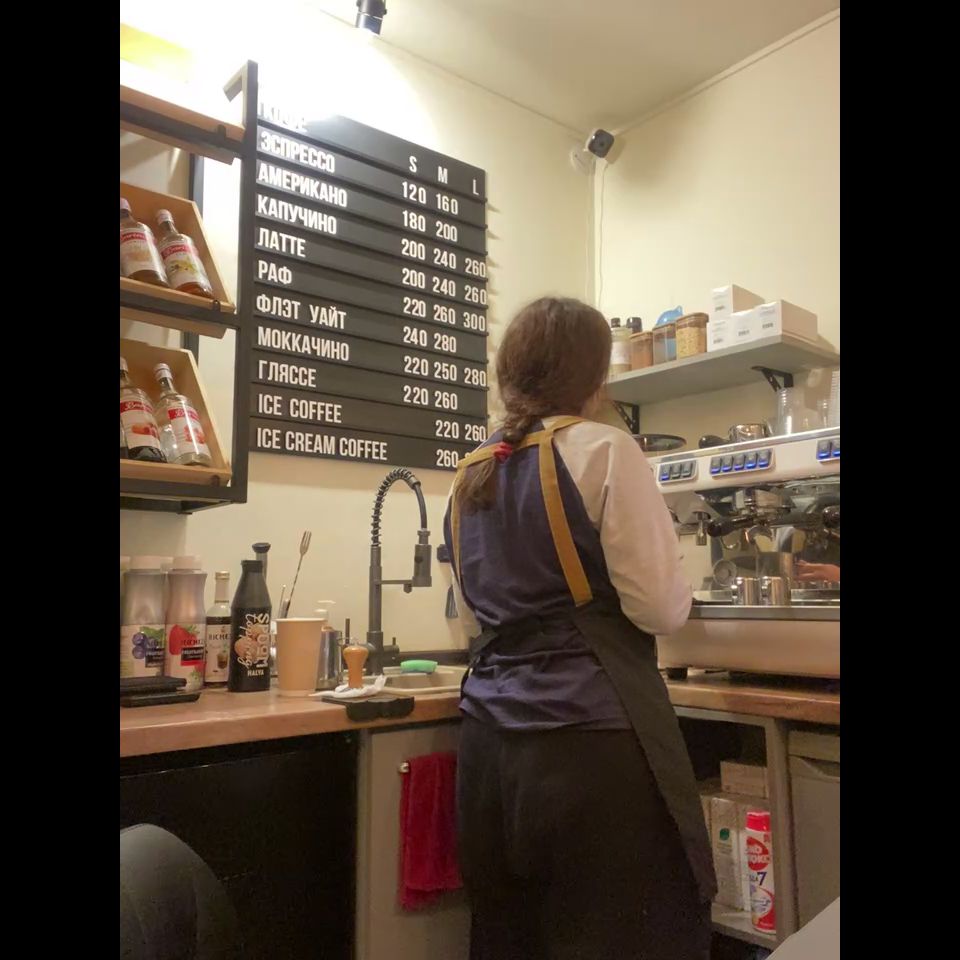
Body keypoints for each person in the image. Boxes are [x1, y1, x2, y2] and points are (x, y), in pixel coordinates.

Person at [444, 297, 716, 960]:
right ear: (595, 379)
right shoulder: (606, 449)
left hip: (486, 754)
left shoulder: (471, 470)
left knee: (509, 939)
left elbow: (468, 620)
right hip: (586, 747)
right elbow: (660, 610)